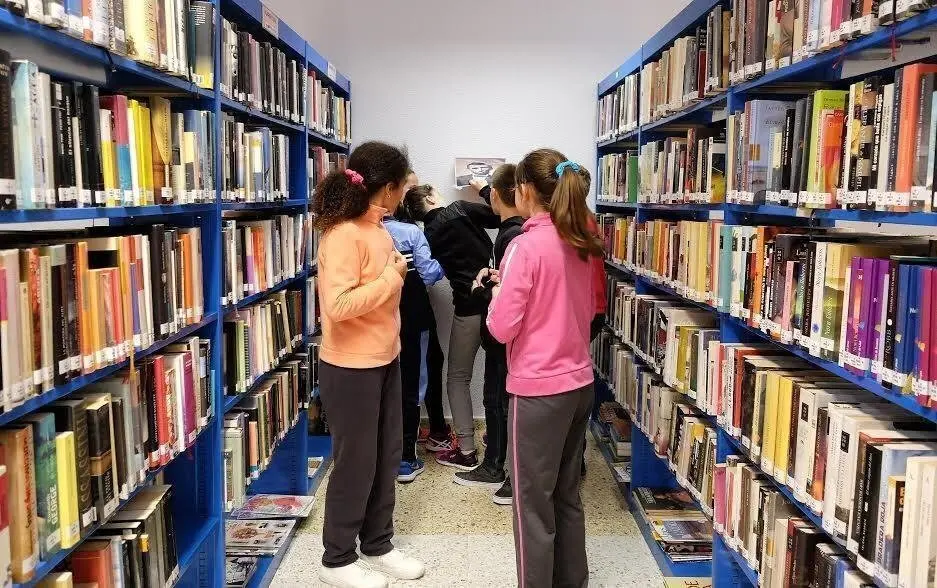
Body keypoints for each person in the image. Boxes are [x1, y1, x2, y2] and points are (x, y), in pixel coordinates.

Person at [486, 149, 604, 588]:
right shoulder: (580, 240)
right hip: (579, 384)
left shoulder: (524, 245)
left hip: (538, 391)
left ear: (525, 190)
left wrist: (496, 293)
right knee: (567, 495)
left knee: (530, 504)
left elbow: (501, 329)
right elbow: (586, 305)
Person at [313, 141, 425, 588]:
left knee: (385, 456)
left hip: (385, 359)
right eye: (402, 188)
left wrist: (388, 274)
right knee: (354, 462)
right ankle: (336, 559)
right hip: (350, 366)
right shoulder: (342, 234)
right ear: (389, 188)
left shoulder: (378, 229)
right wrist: (392, 277)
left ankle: (378, 543)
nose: (404, 196)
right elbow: (339, 306)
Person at [402, 184, 500, 469]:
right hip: (497, 302)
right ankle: (496, 439)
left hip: (467, 307)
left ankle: (466, 450)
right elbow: (499, 215)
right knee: (499, 372)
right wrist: (485, 190)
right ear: (432, 197)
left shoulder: (426, 235)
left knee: (458, 377)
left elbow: (429, 272)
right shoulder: (461, 209)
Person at [451, 164, 524, 505]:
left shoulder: (513, 235)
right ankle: (496, 463)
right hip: (503, 337)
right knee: (495, 400)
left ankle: (499, 468)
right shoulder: (513, 227)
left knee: (498, 401)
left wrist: (481, 289)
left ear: (498, 195)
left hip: (502, 336)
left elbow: (509, 294)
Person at [383, 194, 445, 483]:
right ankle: (406, 459)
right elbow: (430, 273)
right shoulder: (410, 232)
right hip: (412, 315)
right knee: (413, 384)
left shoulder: (363, 232)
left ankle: (384, 454)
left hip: (378, 318)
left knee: (383, 384)